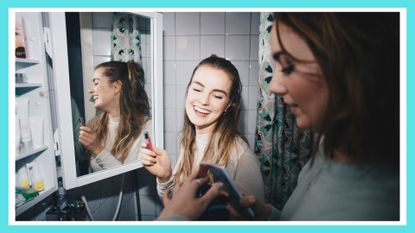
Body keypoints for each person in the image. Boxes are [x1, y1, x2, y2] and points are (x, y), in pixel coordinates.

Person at [157, 12, 400, 221]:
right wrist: (263, 213)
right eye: (197, 88)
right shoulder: (328, 148)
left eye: (289, 66)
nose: (273, 86)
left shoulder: (371, 208)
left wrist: (177, 220)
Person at [140, 55, 265, 203]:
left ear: (229, 104)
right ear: (188, 90)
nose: (204, 101)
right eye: (198, 89)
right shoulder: (190, 142)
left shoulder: (242, 159)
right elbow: (180, 206)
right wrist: (165, 177)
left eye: (217, 96)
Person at [79, 61, 151, 172]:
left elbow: (130, 180)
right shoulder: (94, 126)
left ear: (116, 86)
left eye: (96, 83)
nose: (91, 90)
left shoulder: (145, 128)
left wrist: (97, 148)